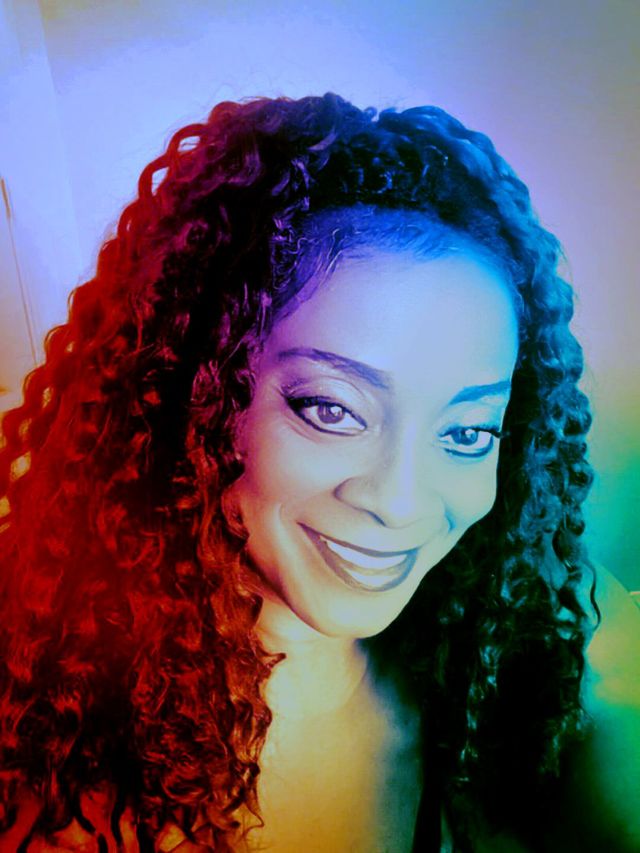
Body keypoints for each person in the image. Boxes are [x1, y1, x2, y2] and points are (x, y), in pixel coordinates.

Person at [0, 93, 638, 852]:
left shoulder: (553, 637)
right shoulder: (50, 782)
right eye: (332, 409)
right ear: (197, 390)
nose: (400, 501)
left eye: (466, 432)